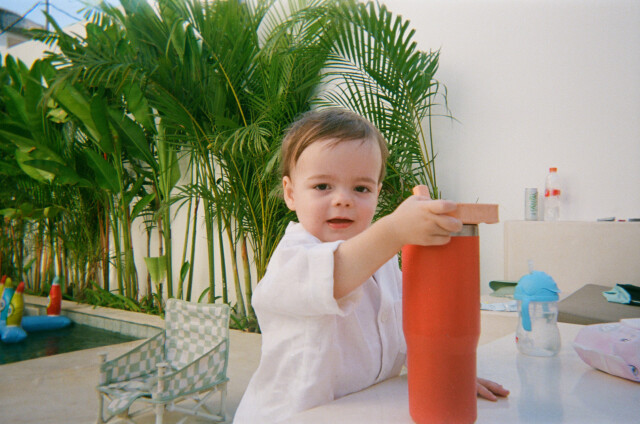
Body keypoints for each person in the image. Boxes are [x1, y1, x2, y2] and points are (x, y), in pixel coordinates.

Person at [233, 108, 508, 423]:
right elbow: (336, 274)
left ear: (377, 193)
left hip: (364, 409)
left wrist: (444, 377)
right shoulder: (292, 259)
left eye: (361, 188)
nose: (343, 199)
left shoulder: (384, 261)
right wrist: (394, 230)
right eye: (322, 186)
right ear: (291, 193)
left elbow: (407, 333)